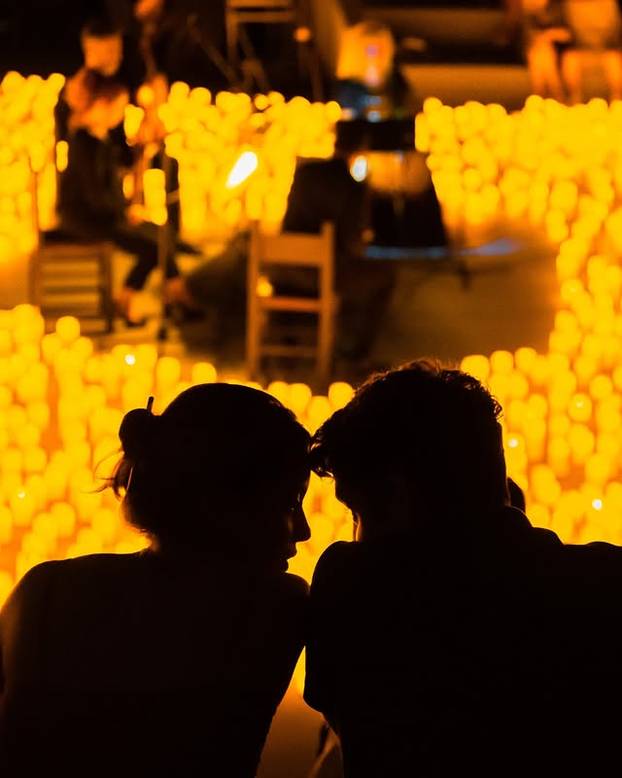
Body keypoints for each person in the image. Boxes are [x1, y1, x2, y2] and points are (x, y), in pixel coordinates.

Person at [305, 360, 622, 777]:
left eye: (357, 512)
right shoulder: (604, 583)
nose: (355, 534)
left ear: (396, 496)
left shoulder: (355, 586)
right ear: (503, 485)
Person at [0, 383, 311, 775]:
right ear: (222, 504)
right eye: (288, 503)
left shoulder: (43, 590)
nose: (303, 530)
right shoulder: (275, 608)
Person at [167, 133, 395, 357]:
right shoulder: (353, 186)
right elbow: (352, 241)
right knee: (385, 276)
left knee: (244, 250)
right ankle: (355, 352)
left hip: (286, 268)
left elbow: (289, 221)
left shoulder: (306, 172)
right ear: (361, 148)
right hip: (323, 275)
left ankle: (188, 291)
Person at [56, 73, 184, 326]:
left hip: (103, 215)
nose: (121, 114)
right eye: (119, 107)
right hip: (88, 220)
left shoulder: (98, 141)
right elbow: (95, 194)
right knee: (153, 247)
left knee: (161, 235)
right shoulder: (84, 142)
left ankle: (173, 298)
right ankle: (150, 301)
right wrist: (123, 215)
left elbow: (108, 186)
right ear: (103, 106)